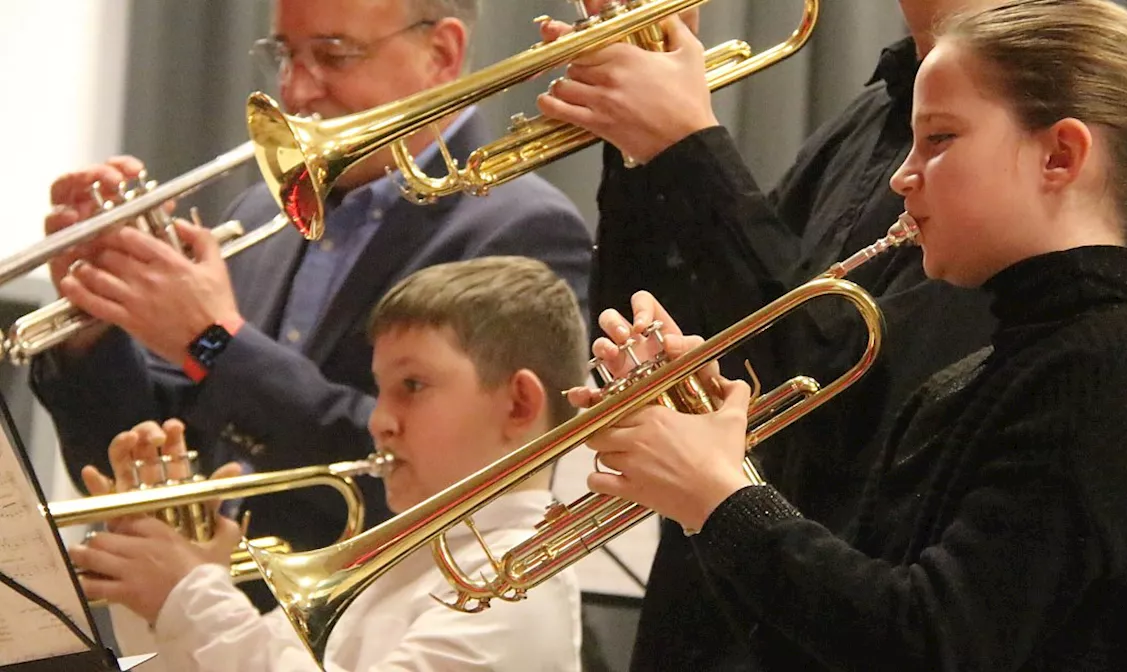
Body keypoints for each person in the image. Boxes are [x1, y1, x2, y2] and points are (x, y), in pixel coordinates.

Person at [569, 0, 1127, 668]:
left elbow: (929, 644)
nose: (904, 176)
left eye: (939, 139)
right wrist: (718, 470)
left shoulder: (1107, 369)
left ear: (1060, 157)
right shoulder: (989, 373)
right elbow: (831, 642)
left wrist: (720, 500)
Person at [33, 0, 592, 596]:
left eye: (333, 55)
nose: (295, 93)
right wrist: (92, 326)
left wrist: (212, 342)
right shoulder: (257, 216)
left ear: (442, 53)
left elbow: (436, 473)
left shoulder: (522, 228)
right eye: (285, 56)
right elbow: (148, 464)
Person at [536, 2, 1001, 667]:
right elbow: (665, 316)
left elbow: (842, 394)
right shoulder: (873, 111)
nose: (912, 174)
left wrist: (684, 144)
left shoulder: (1009, 161)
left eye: (941, 140)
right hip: (710, 604)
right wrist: (635, 134)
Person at [69, 256, 587, 672]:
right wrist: (152, 587)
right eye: (380, 391)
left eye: (413, 386)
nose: (380, 419)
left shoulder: (516, 588)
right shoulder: (390, 563)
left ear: (518, 404)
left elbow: (213, 631)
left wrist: (189, 594)